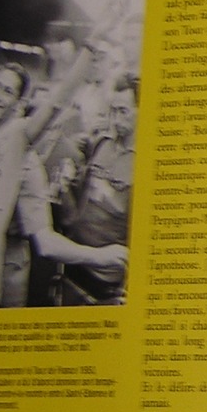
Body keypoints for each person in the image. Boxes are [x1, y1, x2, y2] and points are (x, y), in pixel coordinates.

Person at [0, 55, 128, 309]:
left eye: (6, 90)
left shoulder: (26, 161)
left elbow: (45, 241)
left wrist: (99, 256)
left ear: (19, 105)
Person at [53, 74, 136, 305]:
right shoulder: (102, 143)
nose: (115, 118)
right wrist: (66, 185)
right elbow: (76, 210)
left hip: (106, 278)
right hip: (73, 260)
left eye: (123, 111)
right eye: (112, 110)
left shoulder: (145, 163)